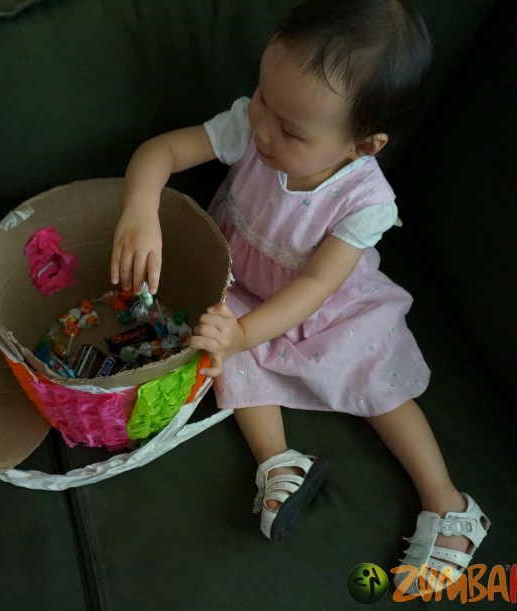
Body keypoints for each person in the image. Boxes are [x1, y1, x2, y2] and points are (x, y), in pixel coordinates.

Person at [110, 0, 490, 589]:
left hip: (327, 303)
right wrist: (140, 207)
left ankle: (446, 500)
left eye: (290, 130)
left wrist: (245, 335)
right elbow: (161, 152)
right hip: (241, 285)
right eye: (263, 97)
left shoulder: (365, 202)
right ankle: (278, 461)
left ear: (364, 145)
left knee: (376, 378)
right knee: (223, 360)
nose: (262, 128)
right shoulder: (251, 127)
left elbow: (315, 287)